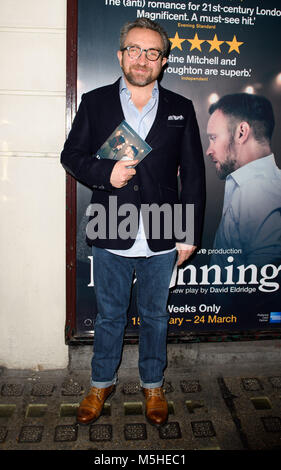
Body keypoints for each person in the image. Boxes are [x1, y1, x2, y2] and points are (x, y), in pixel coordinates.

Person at [61, 18, 205, 427]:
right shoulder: (94, 102)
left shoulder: (181, 107)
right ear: (120, 55)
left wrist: (188, 233)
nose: (142, 59)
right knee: (109, 315)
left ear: (162, 61)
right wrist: (105, 173)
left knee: (156, 316)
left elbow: (193, 174)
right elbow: (71, 156)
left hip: (164, 229)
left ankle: (153, 384)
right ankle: (100, 382)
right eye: (135, 50)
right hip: (112, 226)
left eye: (152, 52)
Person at [206, 93, 281, 272]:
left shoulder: (258, 191)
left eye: (213, 138)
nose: (209, 150)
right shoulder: (259, 185)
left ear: (241, 133)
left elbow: (263, 287)